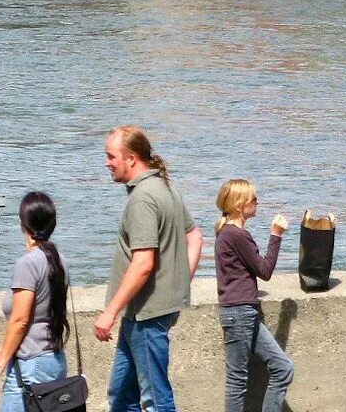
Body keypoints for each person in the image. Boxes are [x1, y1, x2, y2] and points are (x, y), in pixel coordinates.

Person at [95, 125, 204, 412]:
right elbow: (195, 237)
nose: (107, 163)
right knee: (121, 396)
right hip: (146, 314)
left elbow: (143, 263)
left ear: (131, 158)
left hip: (146, 315)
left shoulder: (143, 197)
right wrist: (179, 283)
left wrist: (110, 312)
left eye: (111, 156)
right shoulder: (165, 187)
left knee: (155, 400)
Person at [0, 191, 70, 412]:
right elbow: (42, 314)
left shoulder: (28, 263)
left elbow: (20, 320)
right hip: (53, 359)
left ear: (23, 224)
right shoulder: (59, 260)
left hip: (31, 365)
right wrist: (6, 349)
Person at [214, 179, 294, 412]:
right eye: (254, 199)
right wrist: (276, 235)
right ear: (240, 205)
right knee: (237, 381)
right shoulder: (236, 235)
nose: (257, 203)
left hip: (244, 311)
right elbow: (265, 270)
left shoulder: (227, 233)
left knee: (283, 367)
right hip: (239, 313)